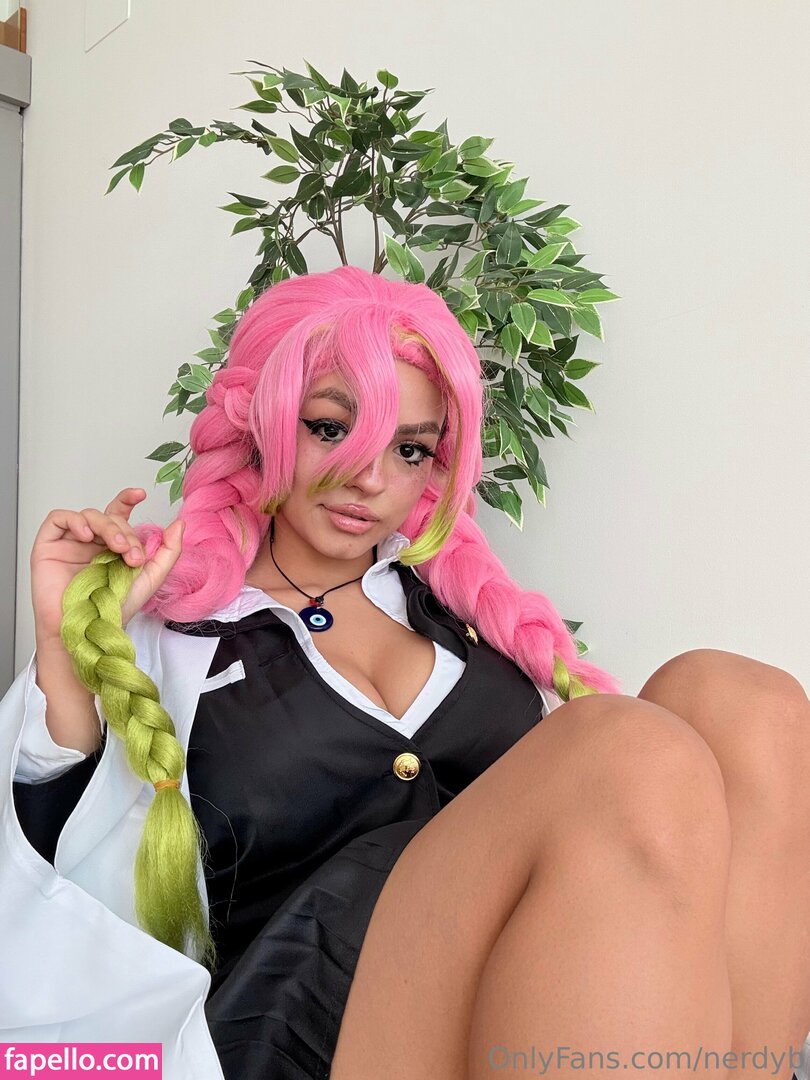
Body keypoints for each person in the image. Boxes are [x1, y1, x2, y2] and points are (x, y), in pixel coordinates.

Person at [4, 264, 810, 1080]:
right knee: (626, 745)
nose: (371, 479)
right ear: (261, 422)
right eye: (330, 428)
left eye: (411, 449)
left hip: (501, 988)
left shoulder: (456, 612)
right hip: (294, 1033)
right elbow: (49, 896)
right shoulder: (169, 626)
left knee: (746, 702)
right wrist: (67, 654)